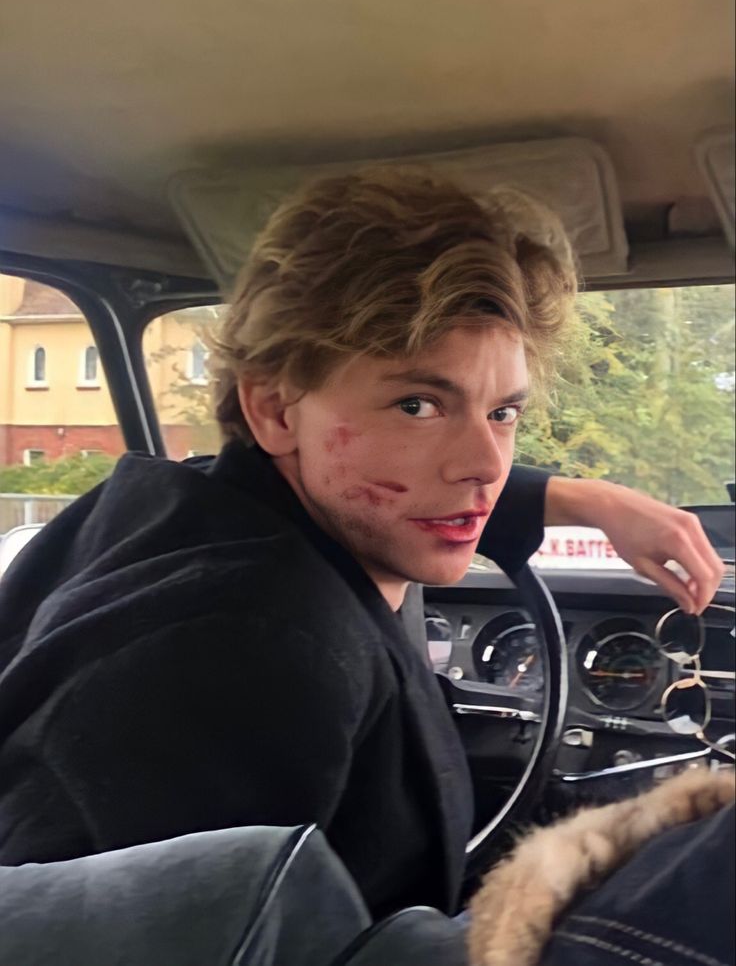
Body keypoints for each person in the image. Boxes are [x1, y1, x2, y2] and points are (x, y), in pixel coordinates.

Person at [0, 170, 725, 921]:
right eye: (418, 404)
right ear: (275, 407)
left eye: (503, 412)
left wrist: (582, 499)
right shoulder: (248, 650)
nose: (483, 465)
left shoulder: (166, 510)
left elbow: (375, 478)